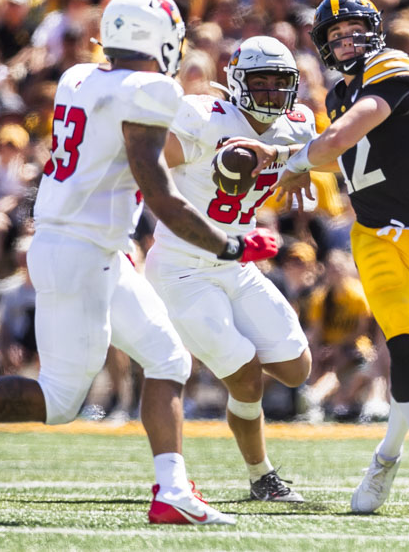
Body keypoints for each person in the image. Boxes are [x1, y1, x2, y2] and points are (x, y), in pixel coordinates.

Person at [0, 0, 280, 525]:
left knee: (169, 360)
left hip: (90, 244)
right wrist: (226, 243)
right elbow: (156, 188)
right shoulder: (149, 89)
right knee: (62, 399)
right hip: (82, 250)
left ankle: (172, 492)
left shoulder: (78, 76)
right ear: (157, 37)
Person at [229, 0, 409, 513]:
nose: (346, 41)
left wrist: (289, 157)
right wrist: (300, 160)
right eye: (335, 35)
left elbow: (338, 140)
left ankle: (385, 459)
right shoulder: (334, 98)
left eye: (354, 31)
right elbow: (335, 154)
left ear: (373, 31)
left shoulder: (391, 65)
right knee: (404, 347)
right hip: (374, 236)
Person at [143, 35, 312, 502]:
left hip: (236, 264)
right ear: (237, 83)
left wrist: (292, 163)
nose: (272, 94)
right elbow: (147, 164)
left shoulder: (296, 125)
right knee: (247, 376)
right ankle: (262, 476)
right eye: (259, 83)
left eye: (280, 84)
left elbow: (315, 152)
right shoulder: (203, 117)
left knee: (297, 368)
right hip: (182, 266)